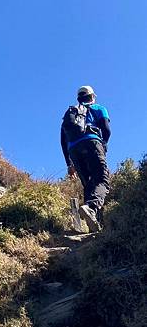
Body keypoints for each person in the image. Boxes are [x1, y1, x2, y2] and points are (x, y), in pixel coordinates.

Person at [61, 85, 111, 232]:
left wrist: (69, 164)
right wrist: (104, 144)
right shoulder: (98, 108)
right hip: (92, 143)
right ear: (92, 96)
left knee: (89, 185)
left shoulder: (70, 113)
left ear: (79, 98)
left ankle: (94, 225)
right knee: (102, 180)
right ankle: (91, 208)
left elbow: (63, 141)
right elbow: (106, 129)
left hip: (73, 150)